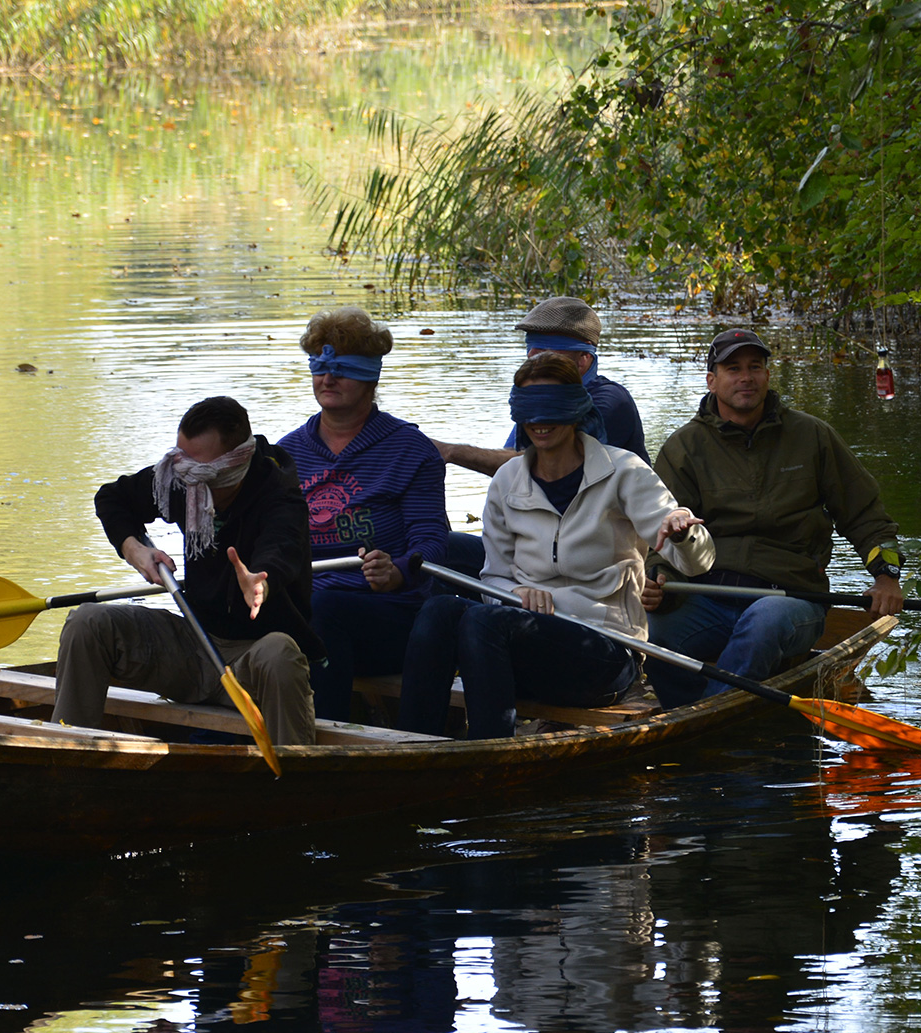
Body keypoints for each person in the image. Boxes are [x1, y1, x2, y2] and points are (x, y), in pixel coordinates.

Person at [399, 352, 715, 739]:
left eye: (551, 407)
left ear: (576, 408)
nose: (539, 421)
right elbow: (493, 576)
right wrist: (515, 593)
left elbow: (697, 563)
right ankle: (414, 742)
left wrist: (683, 534)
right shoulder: (507, 481)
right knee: (440, 609)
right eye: (529, 409)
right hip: (525, 643)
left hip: (605, 652)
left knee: (483, 621)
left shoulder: (625, 472)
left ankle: (490, 751)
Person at [642, 328, 906, 708]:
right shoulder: (683, 448)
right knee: (656, 635)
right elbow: (663, 534)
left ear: (768, 375)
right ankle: (689, 712)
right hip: (708, 594)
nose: (746, 377)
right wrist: (657, 579)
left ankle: (703, 717)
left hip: (791, 596)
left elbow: (867, 515)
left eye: (755, 367)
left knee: (764, 622)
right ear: (712, 381)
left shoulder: (813, 436)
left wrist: (887, 576)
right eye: (733, 368)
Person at [53, 396, 322, 744]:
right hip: (192, 644)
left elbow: (280, 547)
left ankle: (296, 780)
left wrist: (260, 582)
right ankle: (68, 753)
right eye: (183, 466)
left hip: (252, 661)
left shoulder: (281, 499)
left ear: (234, 465)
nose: (188, 480)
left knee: (281, 652)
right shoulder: (183, 480)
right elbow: (112, 499)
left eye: (201, 472)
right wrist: (135, 550)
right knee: (86, 623)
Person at [277, 307, 448, 721]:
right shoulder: (286, 454)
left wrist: (399, 571)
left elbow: (433, 541)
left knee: (323, 607)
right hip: (308, 611)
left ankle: (325, 737)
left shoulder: (410, 450)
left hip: (389, 616)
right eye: (319, 366)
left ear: (371, 375)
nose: (327, 378)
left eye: (342, 368)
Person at [432, 297, 648, 578]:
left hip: (592, 559)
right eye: (531, 348)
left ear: (584, 360)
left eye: (548, 350)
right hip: (538, 546)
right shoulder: (537, 404)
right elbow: (512, 472)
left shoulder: (608, 402)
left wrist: (450, 452)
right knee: (434, 549)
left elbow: (529, 466)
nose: (533, 357)